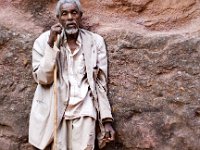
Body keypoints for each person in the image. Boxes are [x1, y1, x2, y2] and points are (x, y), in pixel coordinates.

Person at [29, 0, 115, 149]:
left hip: (85, 110)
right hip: (57, 111)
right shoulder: (43, 42)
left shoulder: (95, 42)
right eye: (64, 14)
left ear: (80, 16)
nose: (70, 17)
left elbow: (100, 83)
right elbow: (43, 79)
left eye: (74, 13)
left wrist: (107, 120)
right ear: (58, 18)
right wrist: (51, 45)